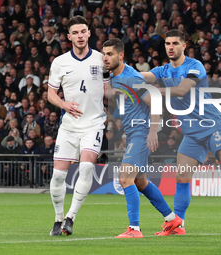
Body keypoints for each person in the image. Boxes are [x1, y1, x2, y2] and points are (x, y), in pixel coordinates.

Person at [140, 29, 221, 236]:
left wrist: (152, 91)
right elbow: (141, 75)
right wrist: (118, 72)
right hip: (192, 134)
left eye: (175, 43)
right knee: (182, 177)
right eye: (168, 43)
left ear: (184, 45)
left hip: (213, 127)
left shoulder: (195, 66)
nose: (170, 47)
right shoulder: (162, 70)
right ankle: (178, 226)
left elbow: (181, 90)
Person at [103, 38, 181, 238]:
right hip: (133, 133)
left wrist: (152, 132)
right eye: (104, 54)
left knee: (125, 178)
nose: (105, 58)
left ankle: (134, 229)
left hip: (141, 132)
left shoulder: (131, 77)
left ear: (121, 56)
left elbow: (155, 101)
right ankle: (173, 220)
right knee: (140, 182)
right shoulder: (115, 77)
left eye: (110, 54)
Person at [48, 16, 107, 236]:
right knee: (58, 177)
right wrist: (63, 104)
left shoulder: (102, 60)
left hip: (93, 125)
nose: (80, 36)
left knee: (86, 168)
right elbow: (50, 94)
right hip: (69, 127)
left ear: (89, 33)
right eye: (76, 32)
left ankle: (71, 217)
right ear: (69, 36)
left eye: (84, 31)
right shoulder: (60, 62)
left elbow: (108, 92)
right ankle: (58, 218)